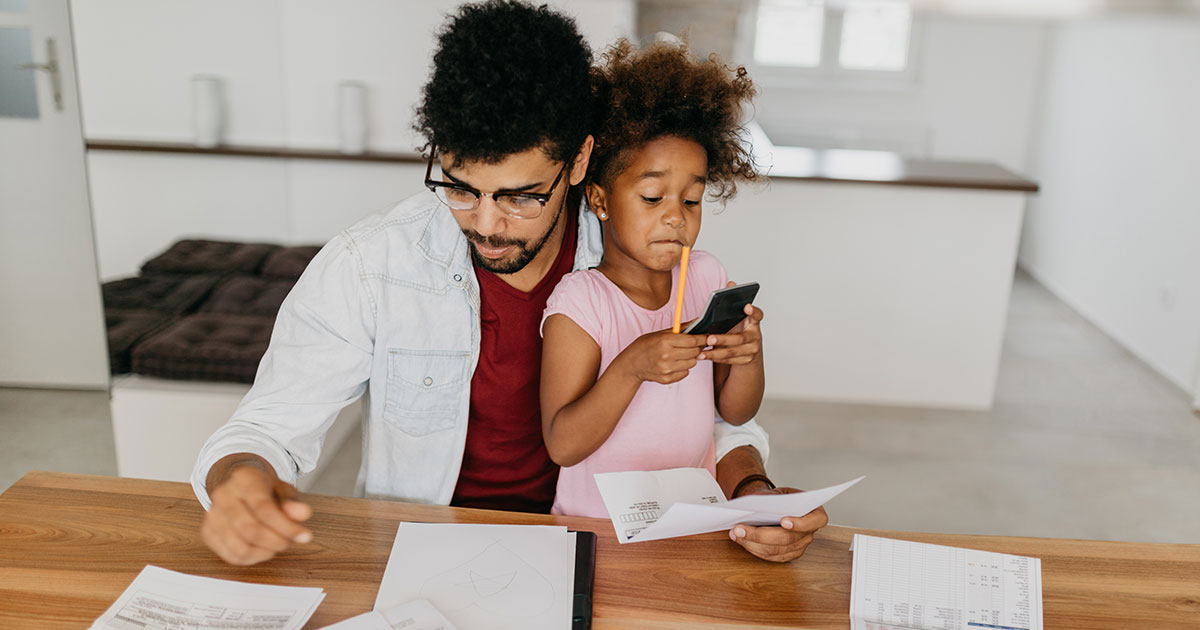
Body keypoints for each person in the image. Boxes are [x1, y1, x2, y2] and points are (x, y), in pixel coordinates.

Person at [191, 0, 826, 567]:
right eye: (461, 187)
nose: (487, 224)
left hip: (605, 546)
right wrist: (239, 481)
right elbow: (267, 428)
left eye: (521, 197)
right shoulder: (373, 265)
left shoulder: (645, 254)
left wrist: (753, 494)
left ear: (579, 163)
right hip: (429, 545)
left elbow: (707, 415)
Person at [541, 39, 766, 519]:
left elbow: (736, 412)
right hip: (596, 525)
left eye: (690, 200)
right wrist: (632, 366)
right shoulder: (581, 301)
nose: (675, 218)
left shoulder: (706, 276)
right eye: (651, 197)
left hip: (688, 514)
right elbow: (562, 445)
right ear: (600, 200)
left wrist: (749, 354)